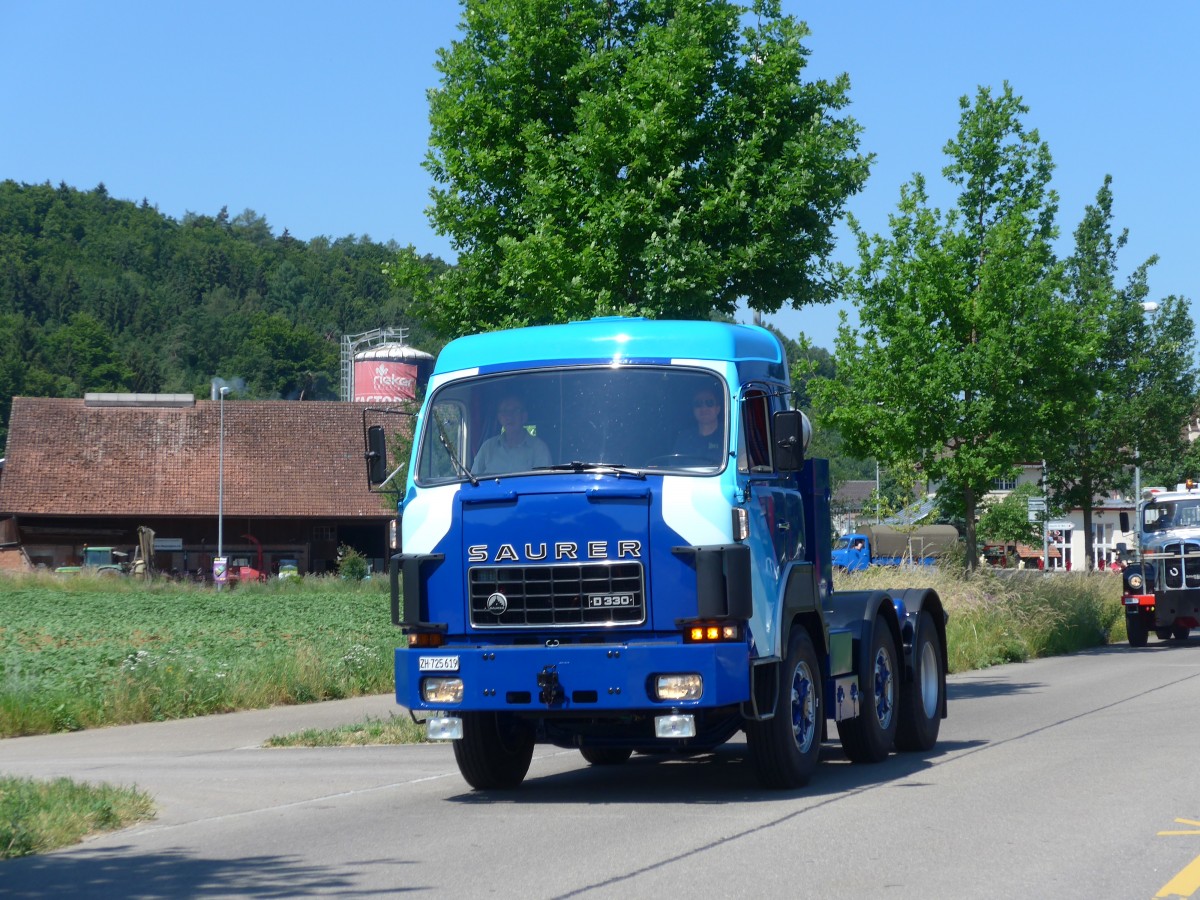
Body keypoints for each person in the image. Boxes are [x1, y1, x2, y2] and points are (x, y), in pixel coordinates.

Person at [472, 394, 551, 475]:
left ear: (524, 416)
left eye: (515, 411)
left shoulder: (539, 449)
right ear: (499, 418)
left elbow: (541, 483)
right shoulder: (487, 447)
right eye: (504, 411)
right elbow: (473, 479)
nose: (509, 416)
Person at [672, 387, 724, 461]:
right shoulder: (684, 438)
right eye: (698, 404)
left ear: (717, 409)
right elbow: (674, 465)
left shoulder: (727, 436)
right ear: (694, 410)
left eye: (709, 403)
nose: (704, 408)